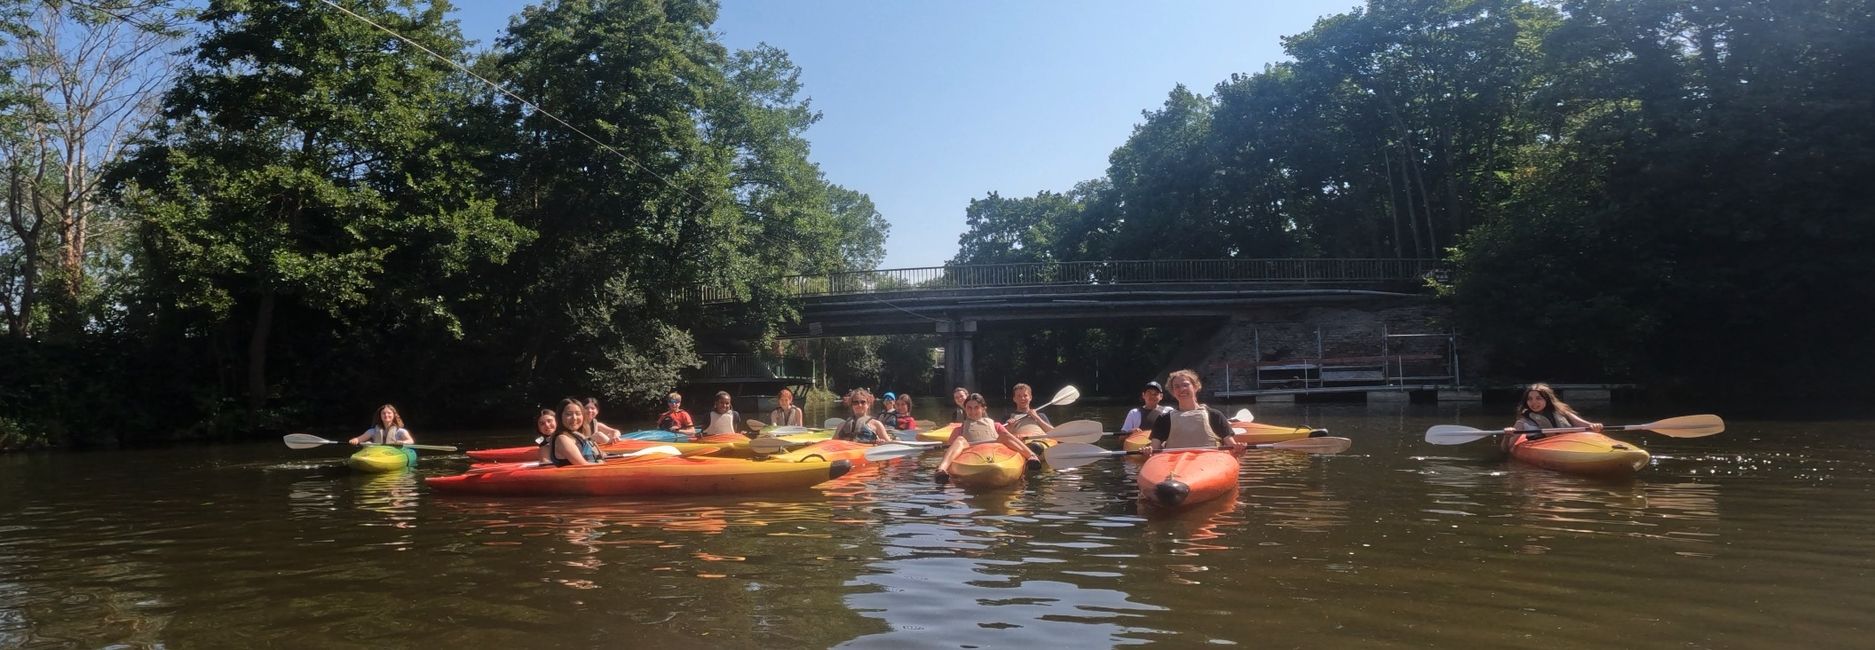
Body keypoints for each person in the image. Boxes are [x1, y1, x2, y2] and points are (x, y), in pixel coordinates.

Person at [936, 392, 1042, 483]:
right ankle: (941, 470)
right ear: (965, 409)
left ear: (983, 408)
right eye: (969, 408)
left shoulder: (996, 425)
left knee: (1004, 435)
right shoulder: (959, 430)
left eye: (976, 407)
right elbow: (948, 451)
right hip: (971, 452)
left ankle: (1031, 456)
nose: (973, 411)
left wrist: (1013, 432)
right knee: (960, 440)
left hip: (995, 450)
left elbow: (1009, 439)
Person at [1148, 370, 1239, 453]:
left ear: (1195, 387)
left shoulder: (1215, 415)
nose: (1181, 389)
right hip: (1174, 465)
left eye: (1185, 385)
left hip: (1209, 463)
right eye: (1177, 386)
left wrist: (1238, 449)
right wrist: (1148, 451)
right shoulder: (1164, 419)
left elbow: (1232, 447)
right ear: (1173, 392)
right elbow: (1154, 449)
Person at [1510, 383, 1603, 450]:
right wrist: (1507, 437)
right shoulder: (1523, 422)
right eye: (1530, 399)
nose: (1534, 403)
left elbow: (1583, 424)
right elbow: (1506, 448)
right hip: (1543, 446)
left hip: (1569, 442)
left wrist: (1594, 426)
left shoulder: (1562, 412)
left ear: (1547, 400)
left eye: (1539, 398)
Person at [544, 398, 603, 466]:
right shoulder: (562, 439)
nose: (574, 418)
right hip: (581, 475)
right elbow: (584, 466)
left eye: (578, 414)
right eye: (569, 414)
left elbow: (599, 456)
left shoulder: (579, 435)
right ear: (560, 417)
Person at [349, 404, 414, 446]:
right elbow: (358, 439)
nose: (386, 415)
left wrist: (402, 442)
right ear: (380, 416)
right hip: (378, 454)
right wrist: (354, 440)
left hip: (395, 453)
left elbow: (411, 441)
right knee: (368, 443)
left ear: (394, 415)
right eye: (383, 413)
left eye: (389, 413)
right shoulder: (372, 431)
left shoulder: (401, 431)